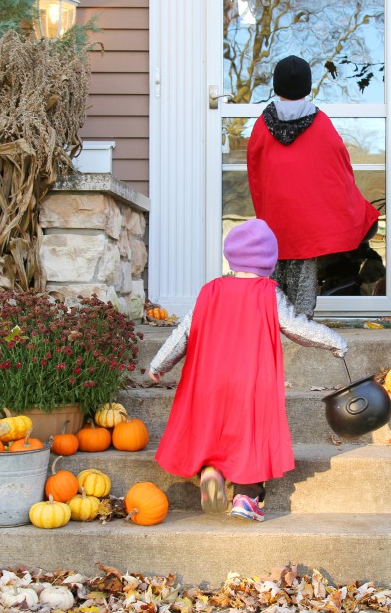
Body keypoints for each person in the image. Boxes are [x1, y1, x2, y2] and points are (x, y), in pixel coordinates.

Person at [148, 218, 348, 522]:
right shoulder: (269, 293)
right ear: (269, 261)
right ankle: (246, 497)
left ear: (231, 256)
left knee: (212, 429)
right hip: (250, 383)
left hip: (209, 382)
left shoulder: (209, 290)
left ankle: (211, 471)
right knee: (248, 438)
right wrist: (334, 341)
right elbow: (297, 328)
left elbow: (183, 333)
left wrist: (159, 364)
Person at [247, 54, 381, 318]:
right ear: (307, 87)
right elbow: (339, 168)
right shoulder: (320, 124)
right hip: (308, 221)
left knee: (274, 267)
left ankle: (275, 321)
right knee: (304, 271)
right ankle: (302, 322)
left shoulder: (263, 124)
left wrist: (263, 209)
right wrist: (352, 205)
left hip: (277, 215)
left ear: (277, 87)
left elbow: (255, 168)